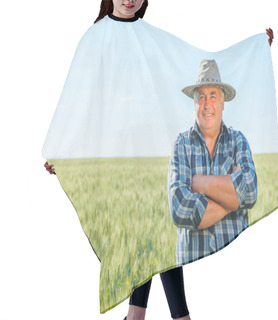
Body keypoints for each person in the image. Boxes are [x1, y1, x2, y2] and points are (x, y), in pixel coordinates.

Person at [45, 1, 191, 320]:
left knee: (161, 230)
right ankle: (169, 316)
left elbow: (186, 67)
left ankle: (139, 316)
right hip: (117, 151)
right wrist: (61, 148)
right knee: (142, 233)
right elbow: (79, 97)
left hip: (155, 148)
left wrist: (253, 50)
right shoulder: (95, 37)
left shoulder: (150, 36)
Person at [168, 58, 258, 266]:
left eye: (213, 96)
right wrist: (232, 199)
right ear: (194, 103)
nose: (207, 105)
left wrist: (202, 184)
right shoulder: (182, 144)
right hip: (192, 266)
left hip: (236, 264)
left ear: (223, 102)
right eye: (201, 97)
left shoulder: (238, 141)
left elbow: (251, 192)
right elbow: (180, 209)